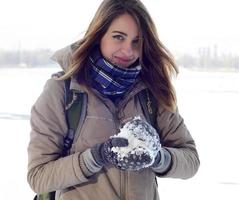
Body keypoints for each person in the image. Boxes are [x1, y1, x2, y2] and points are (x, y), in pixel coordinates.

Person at [27, 0, 200, 199]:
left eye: (137, 41)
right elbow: (38, 176)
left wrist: (157, 156)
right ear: (99, 34)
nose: (128, 51)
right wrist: (98, 156)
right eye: (119, 37)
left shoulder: (152, 91)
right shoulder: (63, 91)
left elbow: (191, 161)